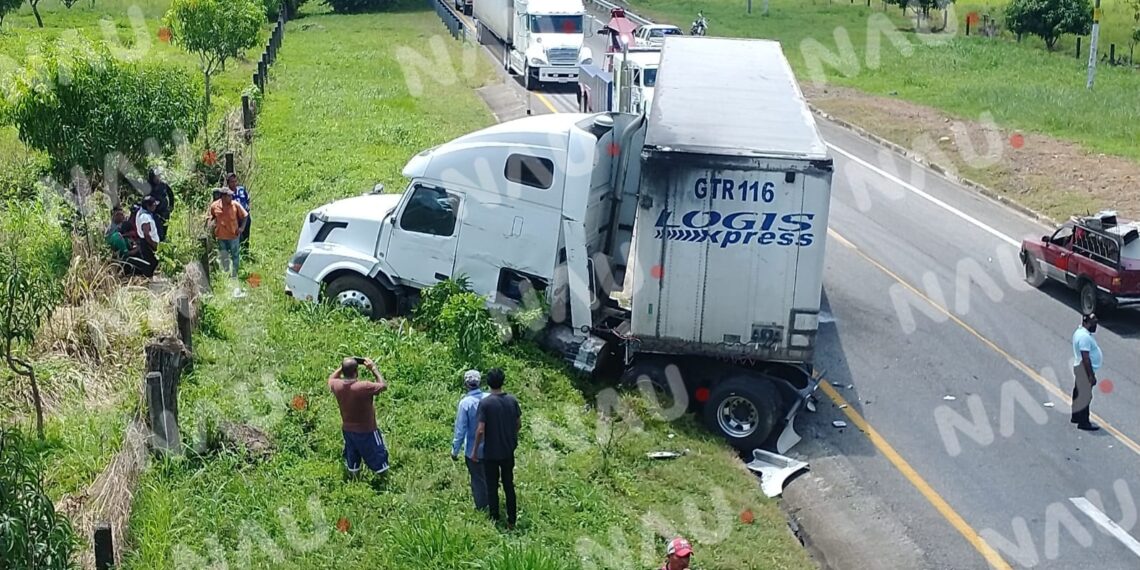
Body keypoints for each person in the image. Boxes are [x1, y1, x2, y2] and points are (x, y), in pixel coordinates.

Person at [471, 368, 521, 529]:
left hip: (491, 452)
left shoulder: (485, 403)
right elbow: (518, 424)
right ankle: (512, 520)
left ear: (488, 382)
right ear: (503, 381)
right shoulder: (512, 401)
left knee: (492, 485)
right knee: (508, 484)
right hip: (508, 450)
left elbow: (480, 430)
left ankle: (494, 517)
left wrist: (474, 450)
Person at [329, 357, 391, 477]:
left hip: (348, 431)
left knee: (353, 459)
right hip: (367, 431)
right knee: (380, 462)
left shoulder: (336, 385)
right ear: (356, 372)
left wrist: (343, 367)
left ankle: (354, 481)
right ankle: (384, 482)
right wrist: (373, 368)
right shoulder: (364, 387)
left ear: (344, 371)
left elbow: (331, 378)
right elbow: (383, 385)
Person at [451, 369, 488, 511]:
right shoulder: (489, 398)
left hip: (474, 449)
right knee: (489, 476)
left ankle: (482, 508)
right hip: (492, 447)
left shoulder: (465, 403)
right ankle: (493, 502)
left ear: (465, 384)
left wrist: (455, 451)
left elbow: (460, 430)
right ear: (480, 382)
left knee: (477, 480)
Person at [206, 188, 248, 279]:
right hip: (221, 237)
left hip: (233, 236)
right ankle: (226, 273)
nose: (231, 197)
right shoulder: (215, 206)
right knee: (224, 256)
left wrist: (241, 228)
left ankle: (234, 275)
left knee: (235, 256)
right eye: (229, 196)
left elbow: (245, 216)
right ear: (223, 197)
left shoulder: (235, 205)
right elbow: (212, 216)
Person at [1071, 313, 1102, 431]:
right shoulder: (1084, 337)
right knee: (1085, 395)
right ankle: (1083, 422)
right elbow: (1086, 358)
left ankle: (1076, 416)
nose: (1095, 326)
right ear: (1086, 322)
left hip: (1079, 367)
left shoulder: (1080, 333)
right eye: (1093, 323)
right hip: (1084, 369)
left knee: (1077, 392)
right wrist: (1091, 375)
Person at [134, 196, 161, 278]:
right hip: (148, 244)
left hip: (146, 243)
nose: (155, 206)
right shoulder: (145, 217)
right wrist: (154, 246)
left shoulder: (141, 212)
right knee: (151, 264)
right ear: (148, 206)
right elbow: (146, 235)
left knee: (150, 264)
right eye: (153, 205)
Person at [147, 169, 175, 241]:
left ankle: (164, 241)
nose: (158, 178)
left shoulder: (163, 185)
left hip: (165, 211)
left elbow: (171, 194)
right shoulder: (148, 187)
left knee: (164, 229)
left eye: (158, 176)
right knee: (157, 231)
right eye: (156, 177)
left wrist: (171, 205)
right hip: (154, 213)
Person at [226, 173, 251, 251]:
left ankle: (246, 252)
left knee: (246, 235)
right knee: (238, 237)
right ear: (228, 183)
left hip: (245, 217)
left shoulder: (241, 189)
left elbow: (247, 199)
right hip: (235, 218)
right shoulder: (227, 194)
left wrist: (246, 207)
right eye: (232, 182)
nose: (234, 184)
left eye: (235, 181)